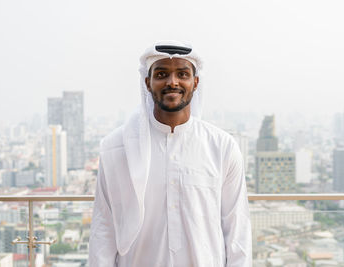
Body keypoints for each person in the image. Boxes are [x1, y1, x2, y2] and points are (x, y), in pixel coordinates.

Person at [89, 40, 252, 267]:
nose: (172, 82)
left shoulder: (222, 147)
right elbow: (103, 231)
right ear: (148, 83)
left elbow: (237, 231)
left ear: (195, 83)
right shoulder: (116, 148)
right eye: (162, 74)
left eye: (182, 74)